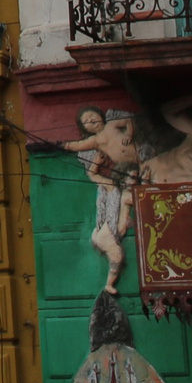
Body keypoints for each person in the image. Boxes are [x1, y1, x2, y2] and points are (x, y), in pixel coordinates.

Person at [62, 108, 139, 293]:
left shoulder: (113, 126)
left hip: (107, 232)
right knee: (117, 256)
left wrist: (129, 133)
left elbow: (129, 119)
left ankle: (109, 285)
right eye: (86, 120)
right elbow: (89, 168)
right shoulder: (113, 188)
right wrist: (63, 146)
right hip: (105, 233)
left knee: (117, 256)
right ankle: (109, 285)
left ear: (101, 116)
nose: (91, 120)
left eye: (92, 116)